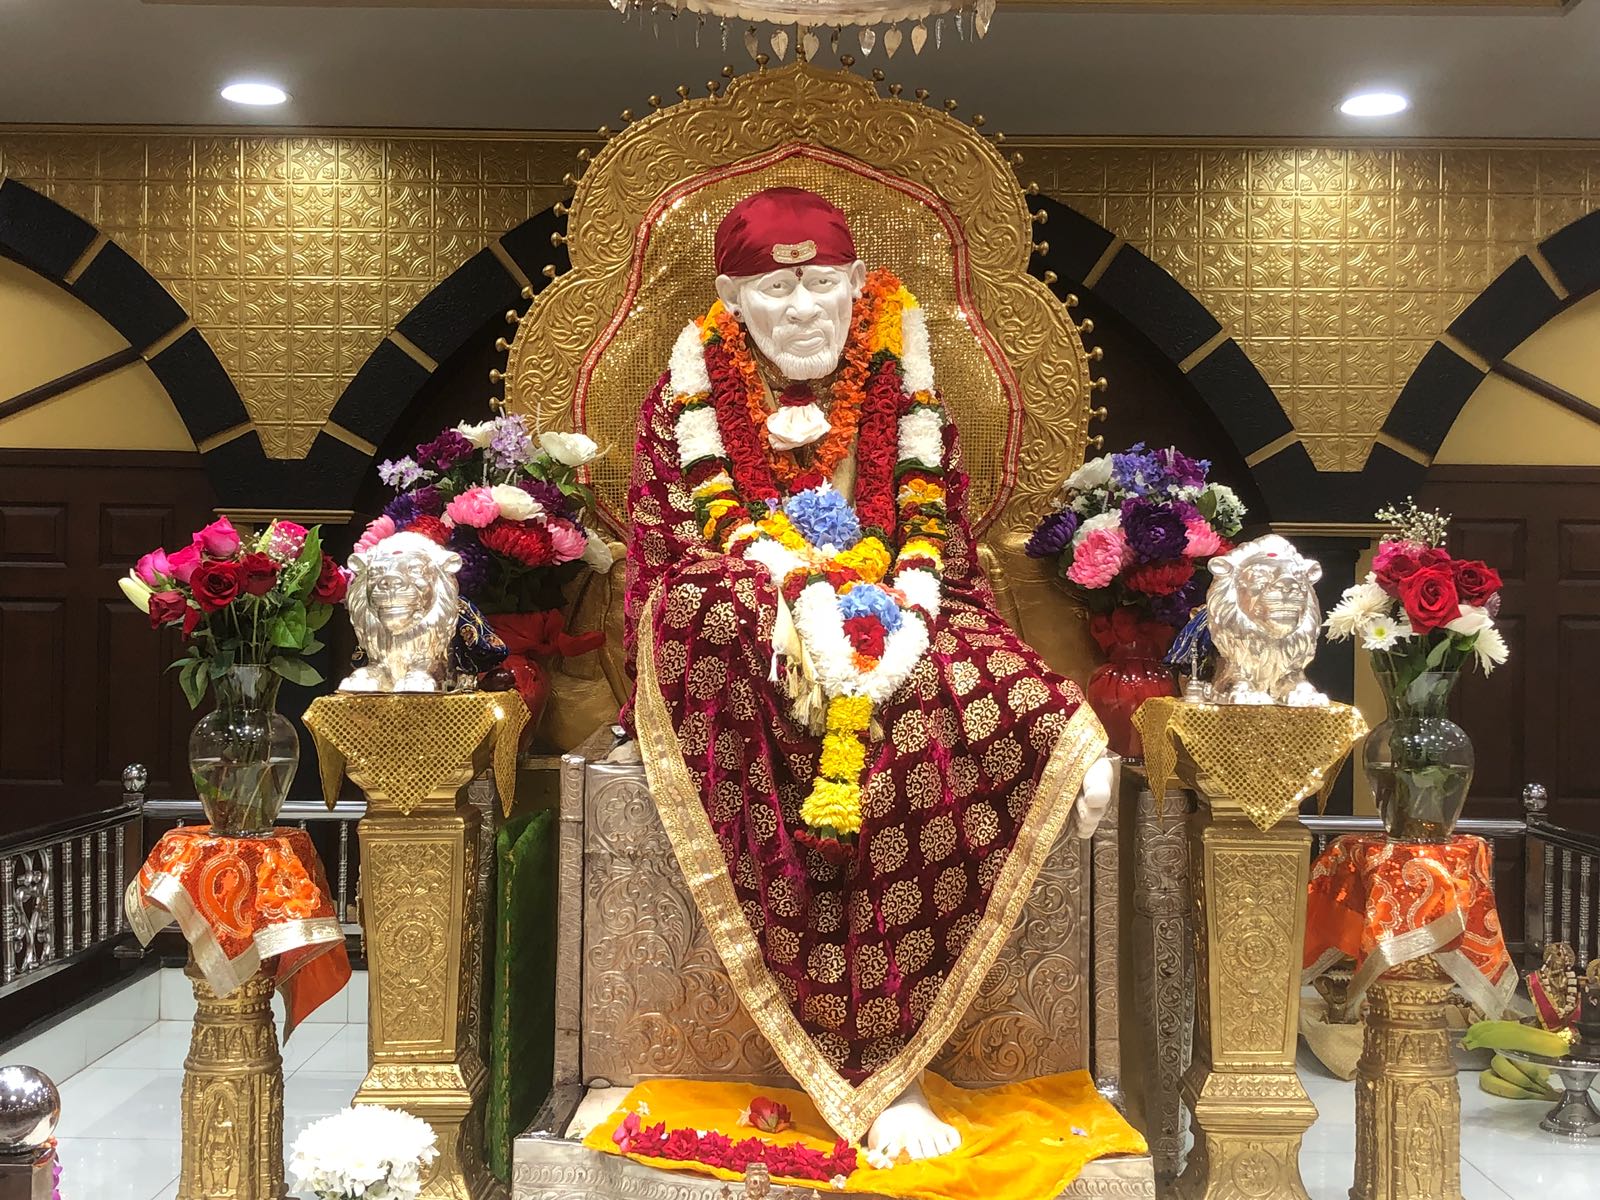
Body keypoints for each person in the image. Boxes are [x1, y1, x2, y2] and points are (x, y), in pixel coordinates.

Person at [623, 187, 1114, 1159]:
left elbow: (942, 552)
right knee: (708, 605)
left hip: (897, 606)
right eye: (776, 289)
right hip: (750, 628)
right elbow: (667, 550)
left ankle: (899, 1051)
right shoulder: (684, 398)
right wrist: (792, 605)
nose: (802, 307)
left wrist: (893, 616)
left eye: (821, 284)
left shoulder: (907, 389)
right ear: (730, 296)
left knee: (970, 669)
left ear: (858, 284)